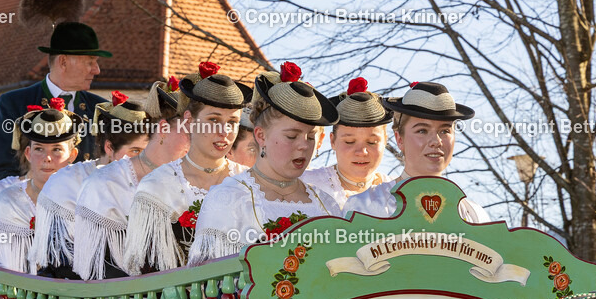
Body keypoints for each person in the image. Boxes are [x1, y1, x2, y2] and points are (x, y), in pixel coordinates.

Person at [188, 64, 342, 265]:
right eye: (292, 136)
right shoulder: (228, 197)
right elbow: (209, 284)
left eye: (310, 137)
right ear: (261, 135)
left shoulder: (327, 204)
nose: (304, 145)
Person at [124, 63, 251, 273]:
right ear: (190, 121)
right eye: (213, 120)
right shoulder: (157, 186)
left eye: (233, 122)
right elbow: (143, 271)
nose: (224, 131)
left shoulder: (249, 183)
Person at [0, 0, 110, 183]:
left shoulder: (100, 109)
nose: (97, 70)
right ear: (63, 61)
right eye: (90, 62)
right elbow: (1, 174)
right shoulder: (14, 104)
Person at [72, 80, 191, 280]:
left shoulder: (194, 180)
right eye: (189, 132)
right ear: (163, 129)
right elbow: (95, 266)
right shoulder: (106, 183)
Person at [30, 90, 149, 279]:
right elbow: (61, 257)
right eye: (135, 150)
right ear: (109, 147)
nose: (144, 160)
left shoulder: (150, 183)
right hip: (77, 290)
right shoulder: (68, 182)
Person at [344, 81, 489, 222]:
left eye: (445, 130)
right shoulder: (365, 207)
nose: (436, 141)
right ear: (399, 139)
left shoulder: (473, 215)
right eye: (422, 130)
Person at [0, 103, 80, 283]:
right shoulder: (8, 202)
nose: (47, 158)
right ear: (28, 153)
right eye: (39, 149)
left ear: (72, 155)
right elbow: (7, 269)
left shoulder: (86, 197)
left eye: (57, 149)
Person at [302, 77, 391, 208]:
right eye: (349, 142)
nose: (361, 152)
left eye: (372, 142)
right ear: (332, 141)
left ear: (385, 141)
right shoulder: (306, 185)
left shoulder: (397, 192)